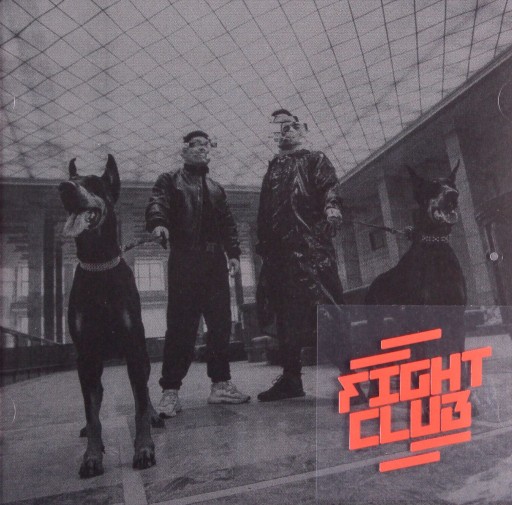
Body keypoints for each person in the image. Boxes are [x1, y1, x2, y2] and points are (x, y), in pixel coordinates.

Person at [145, 130, 250, 417]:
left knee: (220, 326)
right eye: (196, 145)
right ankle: (170, 392)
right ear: (183, 151)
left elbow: (228, 223)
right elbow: (157, 203)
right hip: (185, 260)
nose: (203, 149)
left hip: (215, 263)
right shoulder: (169, 180)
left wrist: (234, 253)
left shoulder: (216, 188)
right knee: (181, 327)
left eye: (206, 145)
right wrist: (158, 222)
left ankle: (221, 385)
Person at [256, 109, 345, 402]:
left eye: (292, 126)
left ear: (302, 130)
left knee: (328, 308)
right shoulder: (273, 169)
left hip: (312, 250)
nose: (287, 131)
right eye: (281, 128)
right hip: (280, 255)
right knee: (285, 316)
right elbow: (265, 210)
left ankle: (352, 376)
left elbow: (329, 186)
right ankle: (291, 379)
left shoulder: (315, 159)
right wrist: (265, 247)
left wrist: (332, 207)